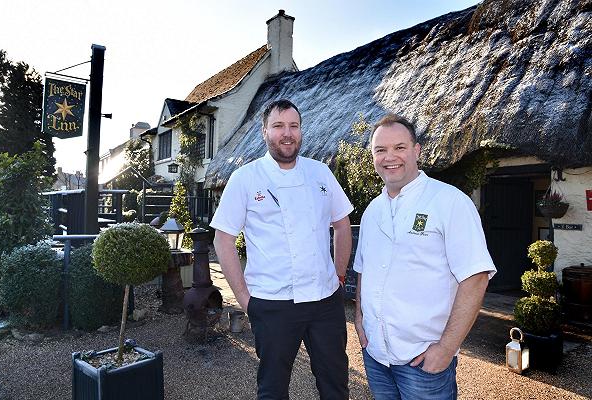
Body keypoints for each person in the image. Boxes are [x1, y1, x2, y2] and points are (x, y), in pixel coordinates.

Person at [211, 99, 353, 400]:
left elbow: (342, 224)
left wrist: (338, 277)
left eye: (293, 126)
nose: (286, 133)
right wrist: (245, 299)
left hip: (325, 301)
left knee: (336, 385)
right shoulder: (245, 178)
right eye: (278, 126)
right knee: (273, 389)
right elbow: (222, 239)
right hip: (273, 303)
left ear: (300, 131)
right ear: (265, 132)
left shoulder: (320, 173)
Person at [353, 113, 496, 400]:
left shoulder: (450, 202)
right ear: (372, 157)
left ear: (417, 150)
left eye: (399, 147)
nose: (389, 157)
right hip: (376, 357)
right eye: (380, 150)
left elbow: (476, 277)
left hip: (422, 361)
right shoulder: (372, 211)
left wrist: (445, 349)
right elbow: (364, 270)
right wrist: (359, 318)